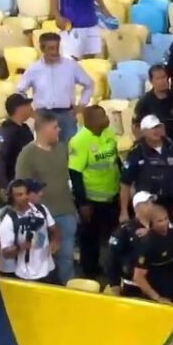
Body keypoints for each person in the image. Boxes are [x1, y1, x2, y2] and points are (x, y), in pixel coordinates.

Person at [14, 112, 76, 283]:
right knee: (43, 259)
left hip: (66, 210)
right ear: (43, 130)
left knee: (67, 257)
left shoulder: (63, 148)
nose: (59, 130)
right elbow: (21, 187)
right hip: (41, 217)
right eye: (55, 127)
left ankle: (68, 292)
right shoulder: (27, 154)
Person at [68, 105, 119, 279]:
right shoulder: (79, 141)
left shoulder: (108, 134)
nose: (106, 118)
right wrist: (83, 203)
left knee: (111, 236)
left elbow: (115, 160)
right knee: (90, 238)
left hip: (112, 193)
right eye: (102, 116)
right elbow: (75, 173)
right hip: (92, 199)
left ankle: (111, 269)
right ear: (91, 121)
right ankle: (89, 272)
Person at [16, 33, 94, 143]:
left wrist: (81, 105)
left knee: (69, 149)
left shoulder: (71, 66)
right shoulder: (34, 69)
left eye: (57, 47)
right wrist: (30, 111)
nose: (55, 52)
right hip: (43, 115)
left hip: (66, 114)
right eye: (51, 48)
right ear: (42, 49)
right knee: (44, 150)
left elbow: (89, 84)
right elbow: (20, 91)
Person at [0, 179, 57, 282]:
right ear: (12, 197)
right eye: (19, 195)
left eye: (26, 193)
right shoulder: (9, 220)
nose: (24, 197)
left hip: (48, 268)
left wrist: (54, 243)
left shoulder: (41, 209)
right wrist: (22, 246)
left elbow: (54, 229)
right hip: (26, 274)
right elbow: (6, 253)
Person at [0, 94, 34, 205]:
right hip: (13, 189)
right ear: (19, 108)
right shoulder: (6, 131)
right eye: (27, 104)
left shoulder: (25, 129)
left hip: (26, 187)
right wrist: (5, 187)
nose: (31, 107)